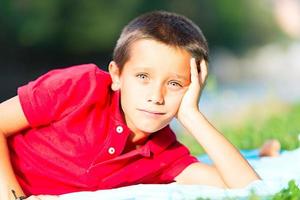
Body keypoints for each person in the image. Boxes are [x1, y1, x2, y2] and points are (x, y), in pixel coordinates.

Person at [0, 11, 260, 200]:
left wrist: (192, 116)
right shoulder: (79, 86)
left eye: (174, 84)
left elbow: (251, 189)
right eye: (143, 77)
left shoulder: (164, 154)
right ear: (116, 75)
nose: (156, 97)